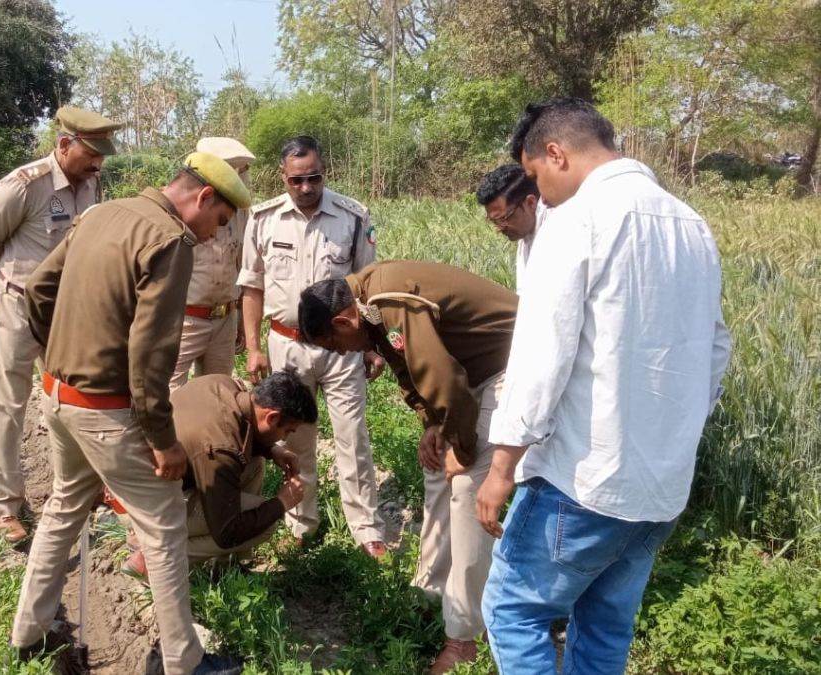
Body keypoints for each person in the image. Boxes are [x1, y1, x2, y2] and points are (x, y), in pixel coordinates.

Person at [476, 98, 732, 674]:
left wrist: (500, 468)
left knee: (513, 610)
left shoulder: (579, 221)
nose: (540, 194)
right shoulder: (689, 223)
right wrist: (676, 431)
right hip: (661, 485)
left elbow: (542, 356)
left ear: (555, 154)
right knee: (604, 623)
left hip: (582, 480)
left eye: (537, 176)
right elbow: (715, 347)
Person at [10, 152, 251, 675]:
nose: (214, 235)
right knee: (164, 525)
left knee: (63, 507)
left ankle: (28, 633)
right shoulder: (169, 241)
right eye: (220, 222)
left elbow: (38, 290)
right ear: (204, 197)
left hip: (56, 395)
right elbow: (151, 355)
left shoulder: (102, 212)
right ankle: (182, 663)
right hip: (104, 410)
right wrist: (162, 439)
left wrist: (59, 354)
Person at [296, 261, 517, 673]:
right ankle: (432, 594)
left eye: (335, 343)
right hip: (472, 374)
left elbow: (446, 380)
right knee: (437, 468)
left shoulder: (387, 298)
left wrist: (463, 449)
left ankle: (465, 637)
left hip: (512, 364)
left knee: (468, 487)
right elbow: (405, 365)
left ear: (344, 319)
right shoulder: (367, 308)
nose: (341, 353)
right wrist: (433, 424)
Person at [0, 106, 120, 543]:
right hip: (19, 306)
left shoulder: (91, 183)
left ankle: (78, 492)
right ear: (63, 145)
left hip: (65, 313)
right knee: (8, 403)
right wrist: (24, 280)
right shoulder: (24, 185)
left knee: (71, 401)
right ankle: (2, 505)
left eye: (101, 156)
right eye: (91, 154)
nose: (98, 164)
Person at [238, 135, 388, 558]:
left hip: (341, 350)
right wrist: (253, 347)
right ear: (282, 177)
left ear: (325, 172)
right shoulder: (263, 219)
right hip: (286, 345)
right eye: (297, 180)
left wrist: (372, 346)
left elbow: (369, 288)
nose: (306, 188)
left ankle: (366, 527)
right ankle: (301, 521)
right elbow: (251, 286)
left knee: (352, 437)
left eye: (315, 178)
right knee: (296, 437)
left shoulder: (353, 216)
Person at [122, 372, 313, 575]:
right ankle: (153, 558)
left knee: (255, 463)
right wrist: (282, 502)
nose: (285, 437)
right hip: (146, 508)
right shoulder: (223, 448)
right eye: (288, 431)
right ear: (272, 417)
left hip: (141, 484)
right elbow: (226, 532)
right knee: (265, 524)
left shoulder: (223, 383)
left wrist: (273, 450)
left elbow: (241, 433)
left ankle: (228, 565)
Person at [170, 137, 256, 390]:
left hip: (224, 319)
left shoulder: (240, 214)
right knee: (170, 395)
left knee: (216, 392)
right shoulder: (179, 211)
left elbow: (240, 265)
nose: (240, 176)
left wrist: (239, 318)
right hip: (184, 320)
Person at [474, 164, 544, 293]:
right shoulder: (525, 235)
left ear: (531, 203)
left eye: (503, 219)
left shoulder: (556, 237)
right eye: (493, 221)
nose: (499, 228)